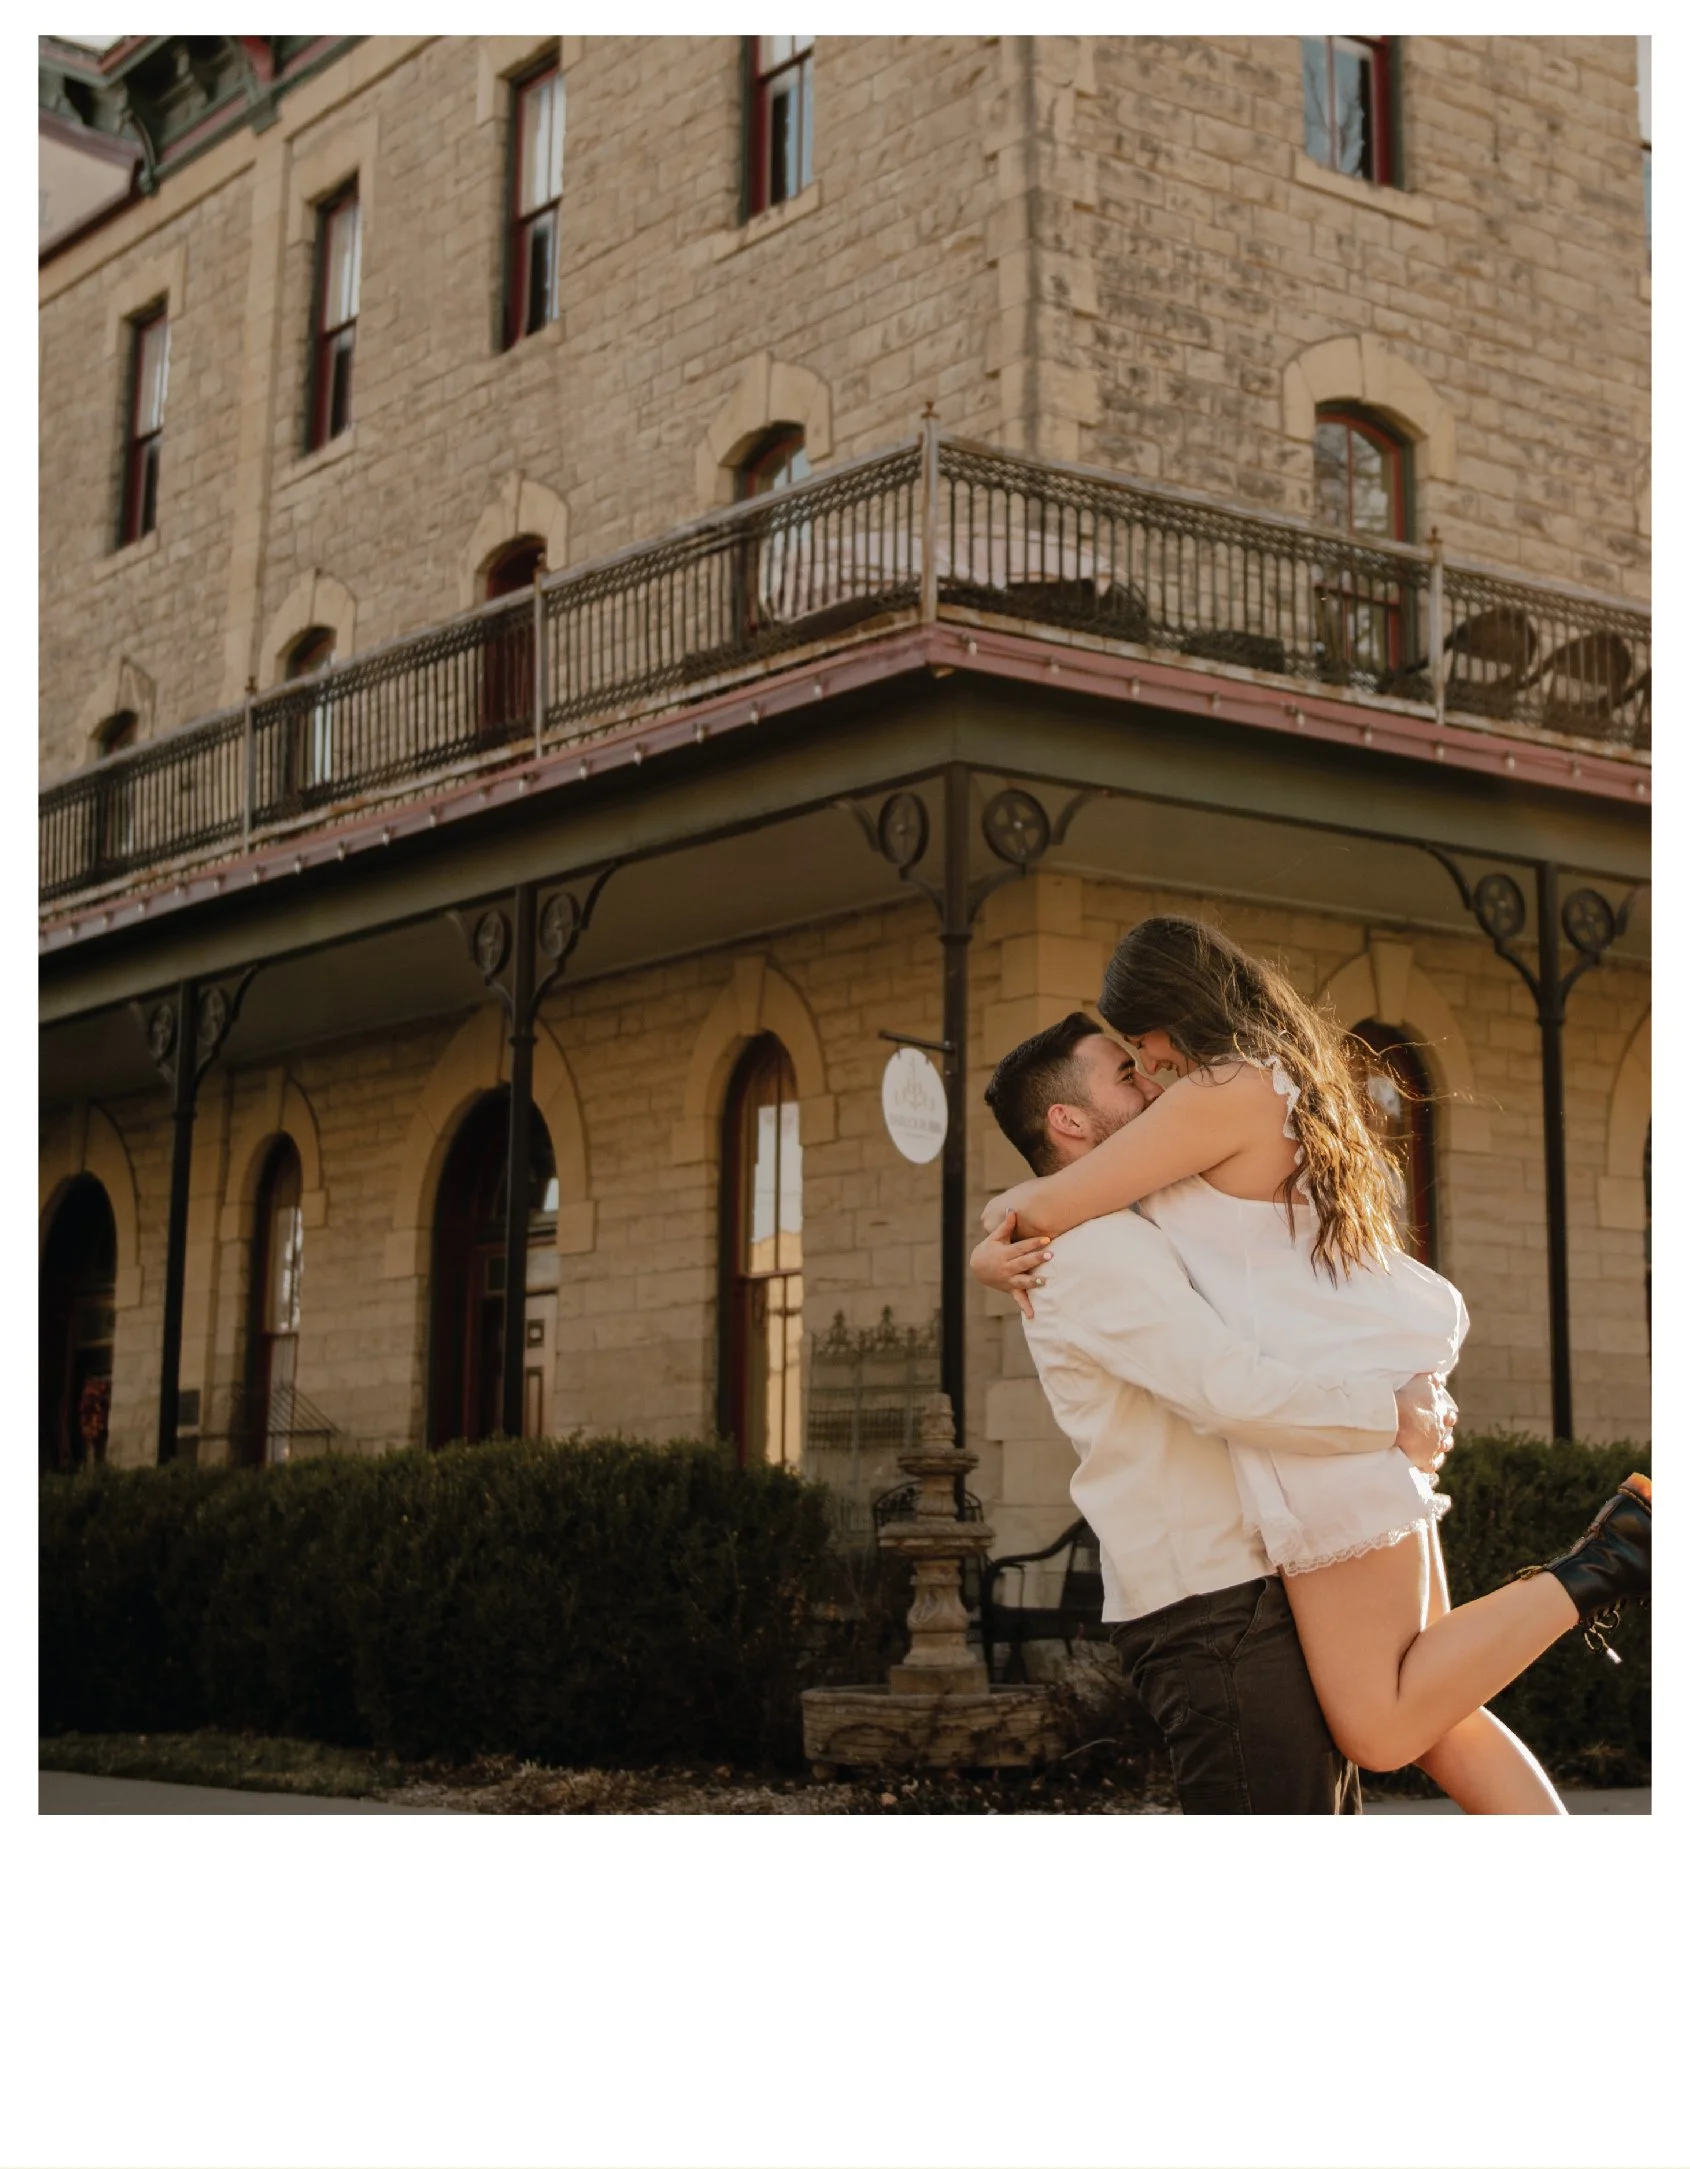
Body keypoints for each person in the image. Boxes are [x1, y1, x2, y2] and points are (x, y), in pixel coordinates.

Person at [975, 921, 1651, 1814]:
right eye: (1127, 1064)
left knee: (1384, 1727)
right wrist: (1000, 1236)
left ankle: (1617, 1552)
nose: (1147, 1066)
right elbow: (1061, 1198)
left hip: (1327, 1445)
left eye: (1139, 1043)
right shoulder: (1258, 1088)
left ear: (1171, 1013)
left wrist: (996, 1240)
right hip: (1342, 1426)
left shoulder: (1214, 1094)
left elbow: (1050, 1202)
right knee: (1443, 1718)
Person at [976, 1012, 1459, 1813]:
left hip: (1250, 1594)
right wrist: (1388, 1415)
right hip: (1213, 1611)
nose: (1152, 1084)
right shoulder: (1092, 1250)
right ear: (1067, 1120)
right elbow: (1231, 1390)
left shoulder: (1135, 1220)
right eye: (1124, 1075)